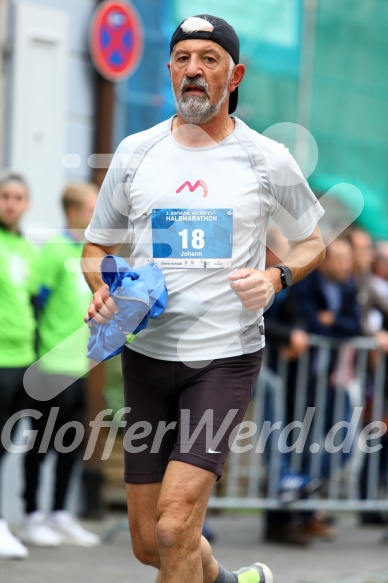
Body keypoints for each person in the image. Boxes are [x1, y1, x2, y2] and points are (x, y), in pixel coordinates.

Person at [82, 14, 325, 583]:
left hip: (223, 358)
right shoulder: (135, 153)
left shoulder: (267, 158)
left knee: (174, 527)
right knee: (151, 544)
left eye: (209, 60)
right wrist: (101, 289)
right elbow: (97, 244)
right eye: (184, 58)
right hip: (145, 357)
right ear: (169, 69)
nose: (194, 70)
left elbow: (313, 240)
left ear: (234, 74)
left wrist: (276, 277)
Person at [19, 183, 100, 547]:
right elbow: (36, 302)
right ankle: (33, 514)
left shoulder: (90, 253)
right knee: (41, 443)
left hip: (78, 365)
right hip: (50, 364)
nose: (97, 214)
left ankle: (59, 513)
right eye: (91, 207)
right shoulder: (52, 250)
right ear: (73, 211)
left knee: (71, 443)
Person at [0, 171, 38, 559]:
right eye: (4, 196)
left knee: (11, 442)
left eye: (17, 197)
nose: (10, 203)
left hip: (22, 359)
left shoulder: (28, 250)